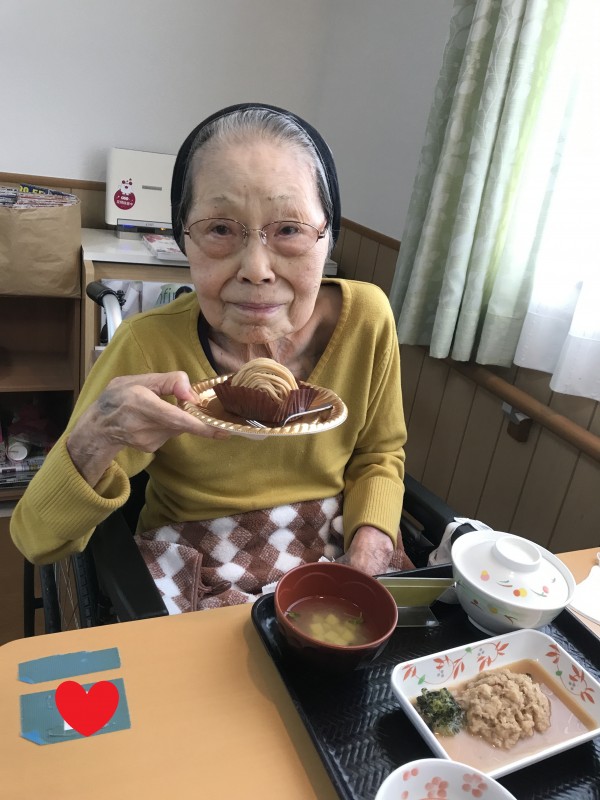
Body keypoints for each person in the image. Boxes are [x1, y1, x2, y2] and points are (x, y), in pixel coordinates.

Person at [11, 103, 412, 613]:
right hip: (194, 565)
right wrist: (97, 437)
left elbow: (379, 454)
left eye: (289, 229)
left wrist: (369, 548)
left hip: (331, 548)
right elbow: (36, 538)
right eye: (220, 229)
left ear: (327, 234)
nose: (256, 270)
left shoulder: (367, 318)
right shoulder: (146, 345)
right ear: (184, 238)